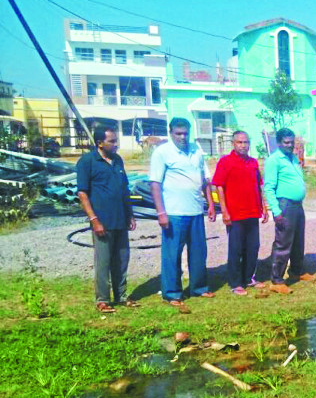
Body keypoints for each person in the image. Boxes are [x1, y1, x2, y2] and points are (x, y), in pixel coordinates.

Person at [149, 117, 216, 306]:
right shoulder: (162, 153)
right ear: (171, 133)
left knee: (198, 253)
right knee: (172, 254)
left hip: (195, 211)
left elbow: (205, 180)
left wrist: (210, 204)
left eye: (186, 133)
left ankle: (198, 288)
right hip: (174, 213)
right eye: (178, 133)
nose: (182, 137)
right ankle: (172, 293)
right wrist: (161, 213)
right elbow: (155, 184)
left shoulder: (196, 150)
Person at [76, 125, 136, 313]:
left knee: (122, 260)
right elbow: (82, 194)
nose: (116, 144)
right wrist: (94, 220)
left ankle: (121, 296)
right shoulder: (87, 162)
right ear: (100, 143)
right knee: (103, 262)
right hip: (102, 221)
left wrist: (130, 214)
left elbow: (124, 189)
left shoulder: (117, 160)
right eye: (112, 141)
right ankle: (102, 300)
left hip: (120, 219)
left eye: (116, 140)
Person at [211, 130, 269, 296]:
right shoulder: (225, 162)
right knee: (236, 249)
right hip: (235, 214)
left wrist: (264, 206)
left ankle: (249, 278)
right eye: (240, 142)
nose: (243, 145)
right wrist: (224, 211)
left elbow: (259, 185)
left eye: (246, 142)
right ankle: (235, 283)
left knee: (253, 247)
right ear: (233, 144)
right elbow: (219, 186)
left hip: (252, 212)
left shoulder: (253, 162)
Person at [263, 128, 314, 294]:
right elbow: (269, 187)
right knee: (283, 242)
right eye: (286, 142)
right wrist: (276, 211)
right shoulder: (274, 160)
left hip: (297, 205)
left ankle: (296, 271)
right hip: (284, 205)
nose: (289, 145)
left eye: (291, 142)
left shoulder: (293, 158)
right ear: (278, 143)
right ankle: (276, 280)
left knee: (298, 240)